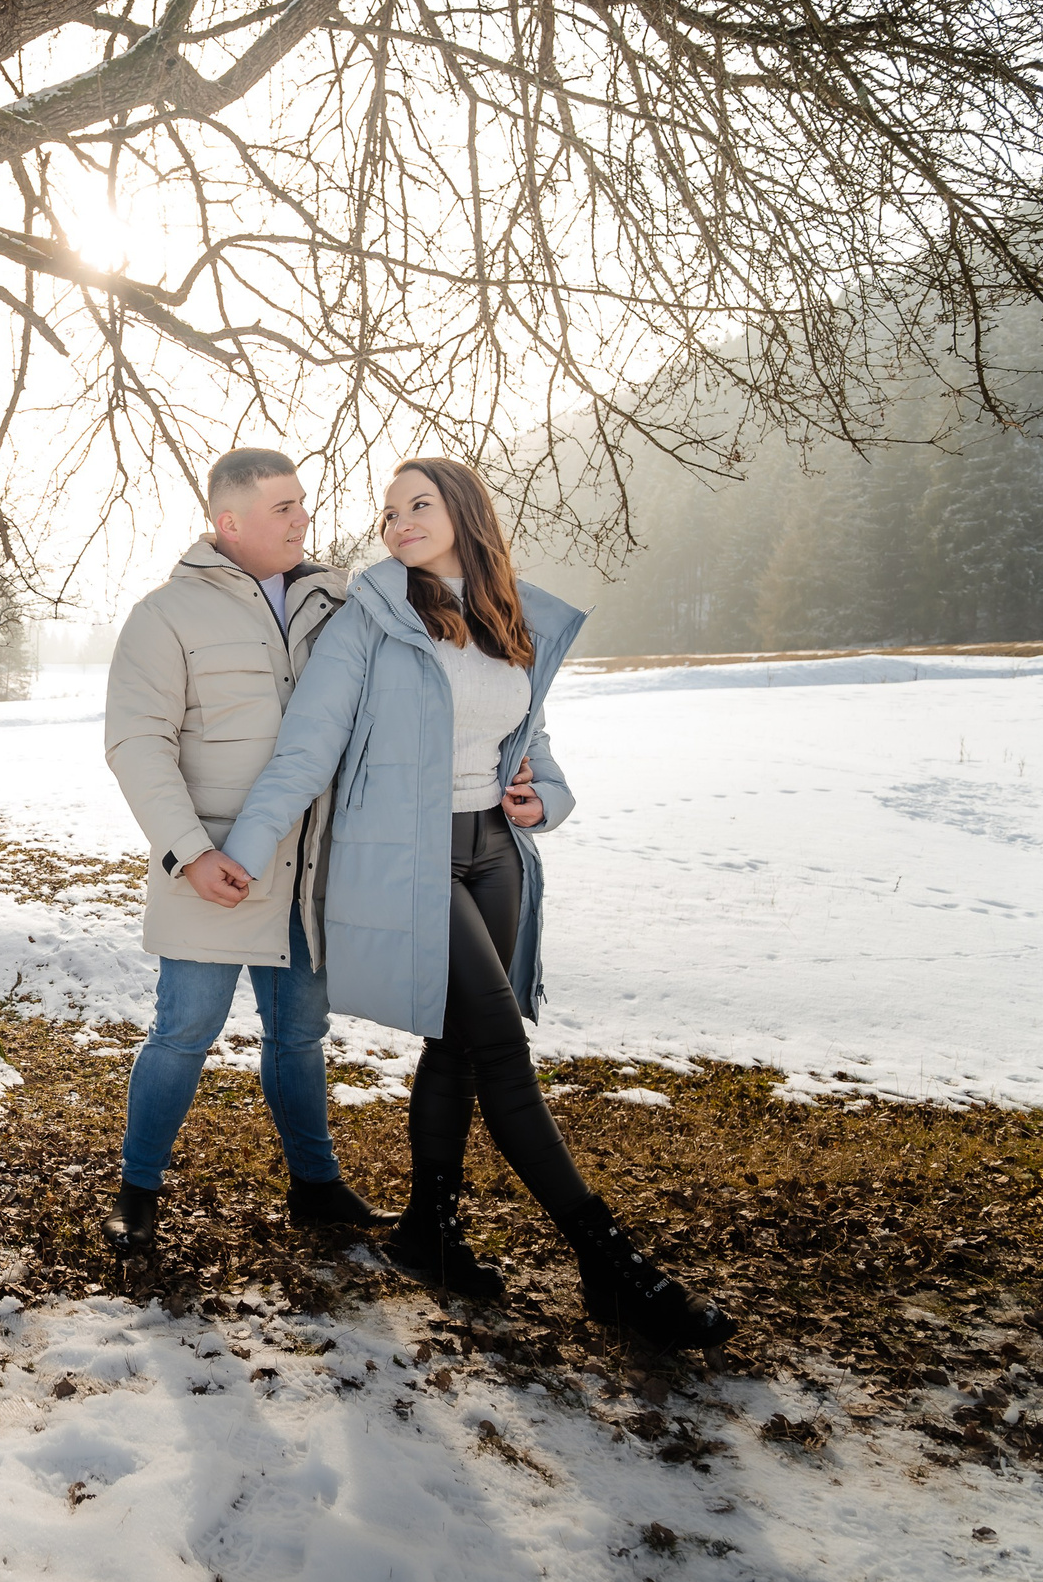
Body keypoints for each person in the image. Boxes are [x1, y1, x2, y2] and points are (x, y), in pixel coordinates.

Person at [201, 458, 737, 1352]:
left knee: (456, 1048)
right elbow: (305, 750)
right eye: (389, 510)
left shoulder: (506, 618)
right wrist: (243, 852)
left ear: (463, 511)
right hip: (414, 865)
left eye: (420, 503)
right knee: (500, 1048)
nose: (400, 520)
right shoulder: (370, 621)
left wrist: (543, 801)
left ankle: (428, 1232)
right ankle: (607, 1260)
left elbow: (534, 745)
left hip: (495, 855)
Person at [101, 447, 391, 1257]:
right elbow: (137, 744)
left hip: (312, 870)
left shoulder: (340, 601)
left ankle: (317, 1186)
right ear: (229, 523)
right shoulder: (166, 615)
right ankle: (138, 1189)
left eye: (302, 502)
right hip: (217, 868)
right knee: (183, 1031)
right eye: (282, 508)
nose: (302, 518)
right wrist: (189, 852)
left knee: (300, 1033)